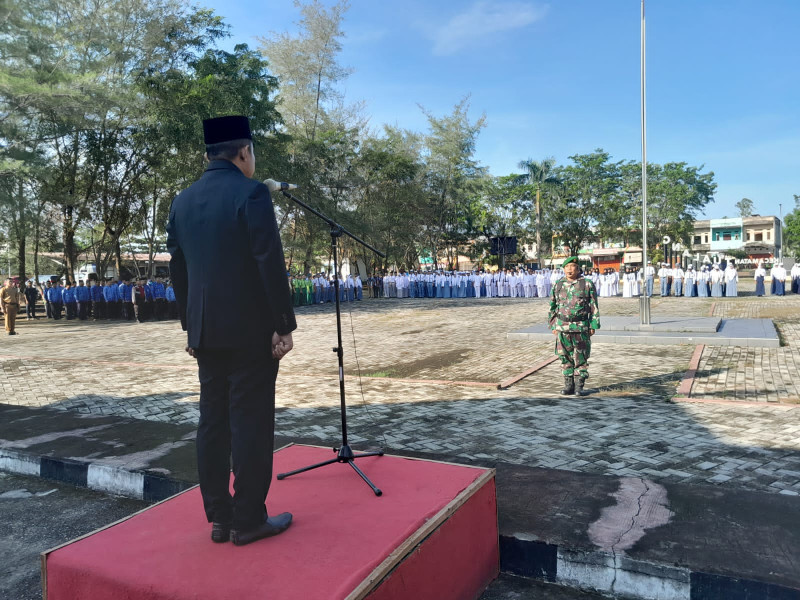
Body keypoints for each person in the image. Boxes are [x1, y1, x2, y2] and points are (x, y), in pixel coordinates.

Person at [167, 115, 296, 546]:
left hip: (206, 334)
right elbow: (268, 264)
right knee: (251, 424)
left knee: (213, 424)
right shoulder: (252, 193)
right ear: (244, 152)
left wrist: (190, 327)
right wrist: (283, 326)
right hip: (249, 334)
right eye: (253, 153)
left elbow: (179, 271)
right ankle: (249, 519)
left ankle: (219, 518)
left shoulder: (181, 201)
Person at [548, 256, 600, 396]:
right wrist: (553, 325)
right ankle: (568, 385)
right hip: (562, 327)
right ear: (563, 269)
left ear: (578, 269)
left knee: (580, 356)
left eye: (573, 267)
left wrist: (593, 324)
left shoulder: (586, 284)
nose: (570, 269)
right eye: (567, 267)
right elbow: (552, 306)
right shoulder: (558, 285)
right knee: (564, 356)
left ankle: (579, 386)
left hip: (581, 326)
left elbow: (593, 305)